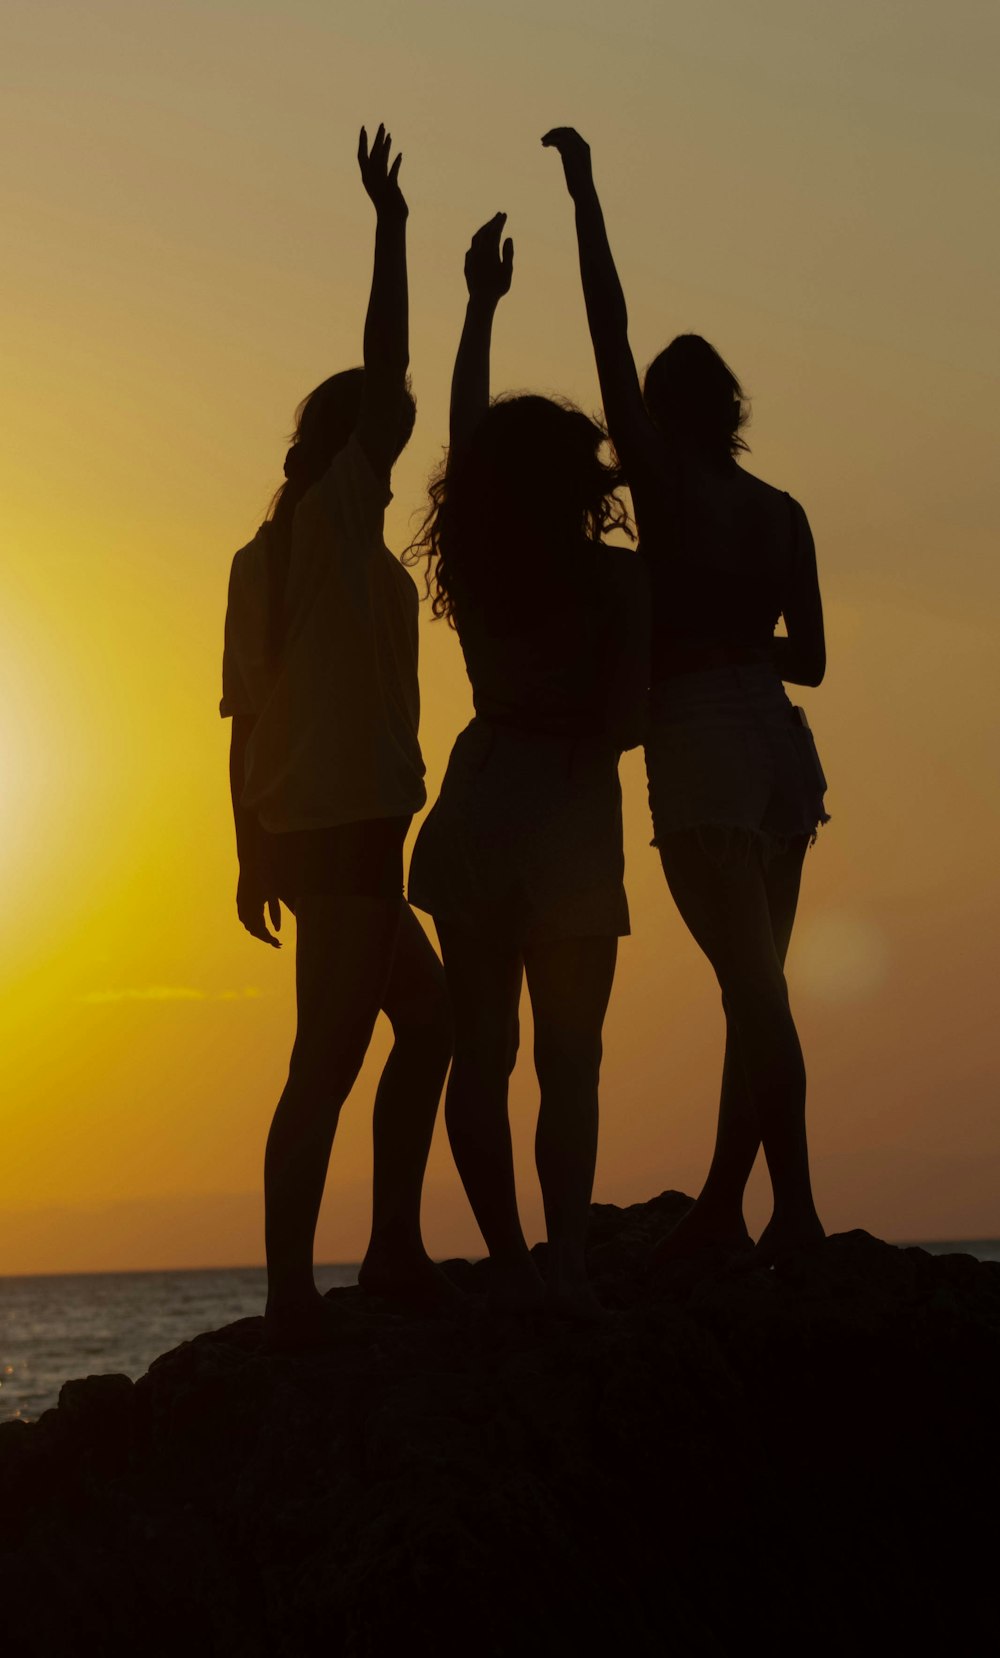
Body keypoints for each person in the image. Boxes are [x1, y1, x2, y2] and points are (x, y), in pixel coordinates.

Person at [544, 128, 829, 1265]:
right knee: (751, 987)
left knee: (754, 993)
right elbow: (808, 657)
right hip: (778, 739)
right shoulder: (783, 511)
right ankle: (726, 1204)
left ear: (661, 410)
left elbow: (605, 329)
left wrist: (586, 199)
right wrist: (738, 629)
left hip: (704, 737)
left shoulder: (658, 482)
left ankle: (795, 1210)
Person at [220, 127, 453, 1346]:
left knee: (427, 1024)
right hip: (345, 825)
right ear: (355, 437)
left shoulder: (280, 556)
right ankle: (296, 1287)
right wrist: (392, 228)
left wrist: (248, 852)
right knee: (328, 1056)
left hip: (330, 828)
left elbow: (241, 731)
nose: (401, 441)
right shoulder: (321, 527)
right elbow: (387, 356)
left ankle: (384, 1247)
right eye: (389, 426)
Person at [406, 214, 649, 1314]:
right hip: (566, 814)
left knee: (482, 1051)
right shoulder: (610, 583)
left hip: (476, 802)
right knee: (570, 1057)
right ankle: (571, 1264)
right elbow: (632, 716)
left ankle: (508, 1261)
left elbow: (461, 438)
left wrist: (478, 304)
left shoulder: (477, 557)